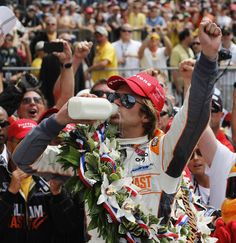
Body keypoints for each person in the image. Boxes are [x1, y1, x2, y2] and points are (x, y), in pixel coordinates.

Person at [13, 18, 221, 228]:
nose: (117, 103)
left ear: (146, 116)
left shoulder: (164, 152)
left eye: (128, 100)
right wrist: (57, 120)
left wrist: (209, 57)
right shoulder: (89, 156)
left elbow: (194, 117)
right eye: (115, 98)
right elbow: (24, 159)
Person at [0, 118, 87, 243]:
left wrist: (58, 195)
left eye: (34, 144)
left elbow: (69, 228)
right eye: (22, 142)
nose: (28, 149)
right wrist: (10, 194)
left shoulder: (53, 174)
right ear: (8, 145)